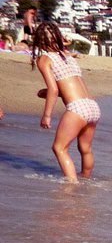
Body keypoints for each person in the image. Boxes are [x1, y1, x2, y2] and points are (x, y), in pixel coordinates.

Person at [31, 21, 99, 182]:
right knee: (85, 148)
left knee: (59, 148)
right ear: (57, 36)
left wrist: (46, 115)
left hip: (77, 108)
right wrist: (46, 93)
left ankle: (72, 186)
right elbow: (66, 86)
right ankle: (86, 181)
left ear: (39, 41)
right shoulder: (66, 55)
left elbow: (54, 89)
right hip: (92, 106)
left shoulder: (44, 59)